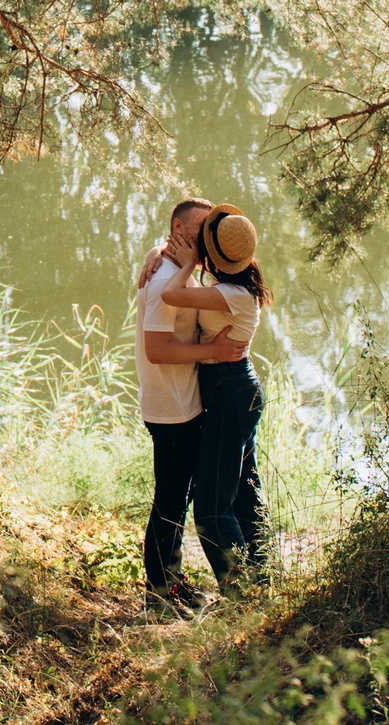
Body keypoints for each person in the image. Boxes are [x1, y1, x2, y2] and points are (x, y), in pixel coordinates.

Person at [134, 196, 247, 613]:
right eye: (202, 230)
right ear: (179, 232)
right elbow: (157, 350)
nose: (210, 238)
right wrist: (213, 351)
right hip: (172, 405)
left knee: (177, 497)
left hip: (182, 400)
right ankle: (162, 593)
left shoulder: (177, 270)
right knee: (171, 499)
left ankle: (171, 584)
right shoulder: (165, 278)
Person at [160, 204, 271, 591]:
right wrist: (157, 255)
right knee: (243, 492)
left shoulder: (229, 295)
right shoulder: (234, 289)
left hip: (229, 393)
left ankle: (242, 594)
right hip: (236, 390)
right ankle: (263, 578)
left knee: (210, 510)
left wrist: (187, 262)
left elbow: (173, 294)